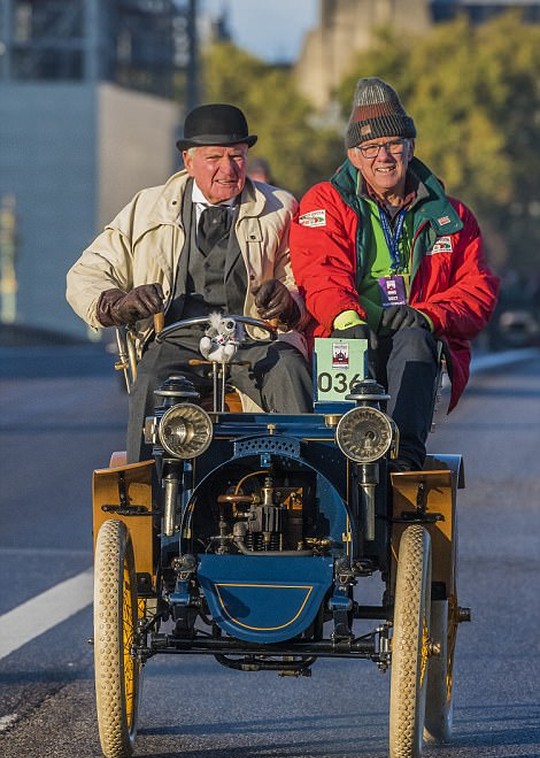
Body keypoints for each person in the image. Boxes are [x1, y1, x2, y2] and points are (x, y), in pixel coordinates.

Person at [67, 103, 312, 462]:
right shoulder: (146, 208)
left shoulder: (281, 208)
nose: (228, 169)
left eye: (237, 156)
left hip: (255, 338)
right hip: (174, 339)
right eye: (214, 157)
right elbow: (86, 274)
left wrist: (287, 301)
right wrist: (118, 303)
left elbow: (302, 281)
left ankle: (307, 489)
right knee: (149, 380)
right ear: (188, 160)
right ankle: (146, 495)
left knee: (291, 371)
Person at [290, 77, 500, 471]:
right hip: (348, 331)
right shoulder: (325, 201)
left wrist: (427, 314)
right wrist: (346, 316)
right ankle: (336, 461)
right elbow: (318, 270)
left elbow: (478, 291)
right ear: (354, 155)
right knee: (344, 356)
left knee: (416, 339)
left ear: (410, 147)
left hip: (414, 341)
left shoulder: (452, 217)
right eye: (370, 147)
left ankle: (402, 463)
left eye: (393, 145)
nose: (383, 157)